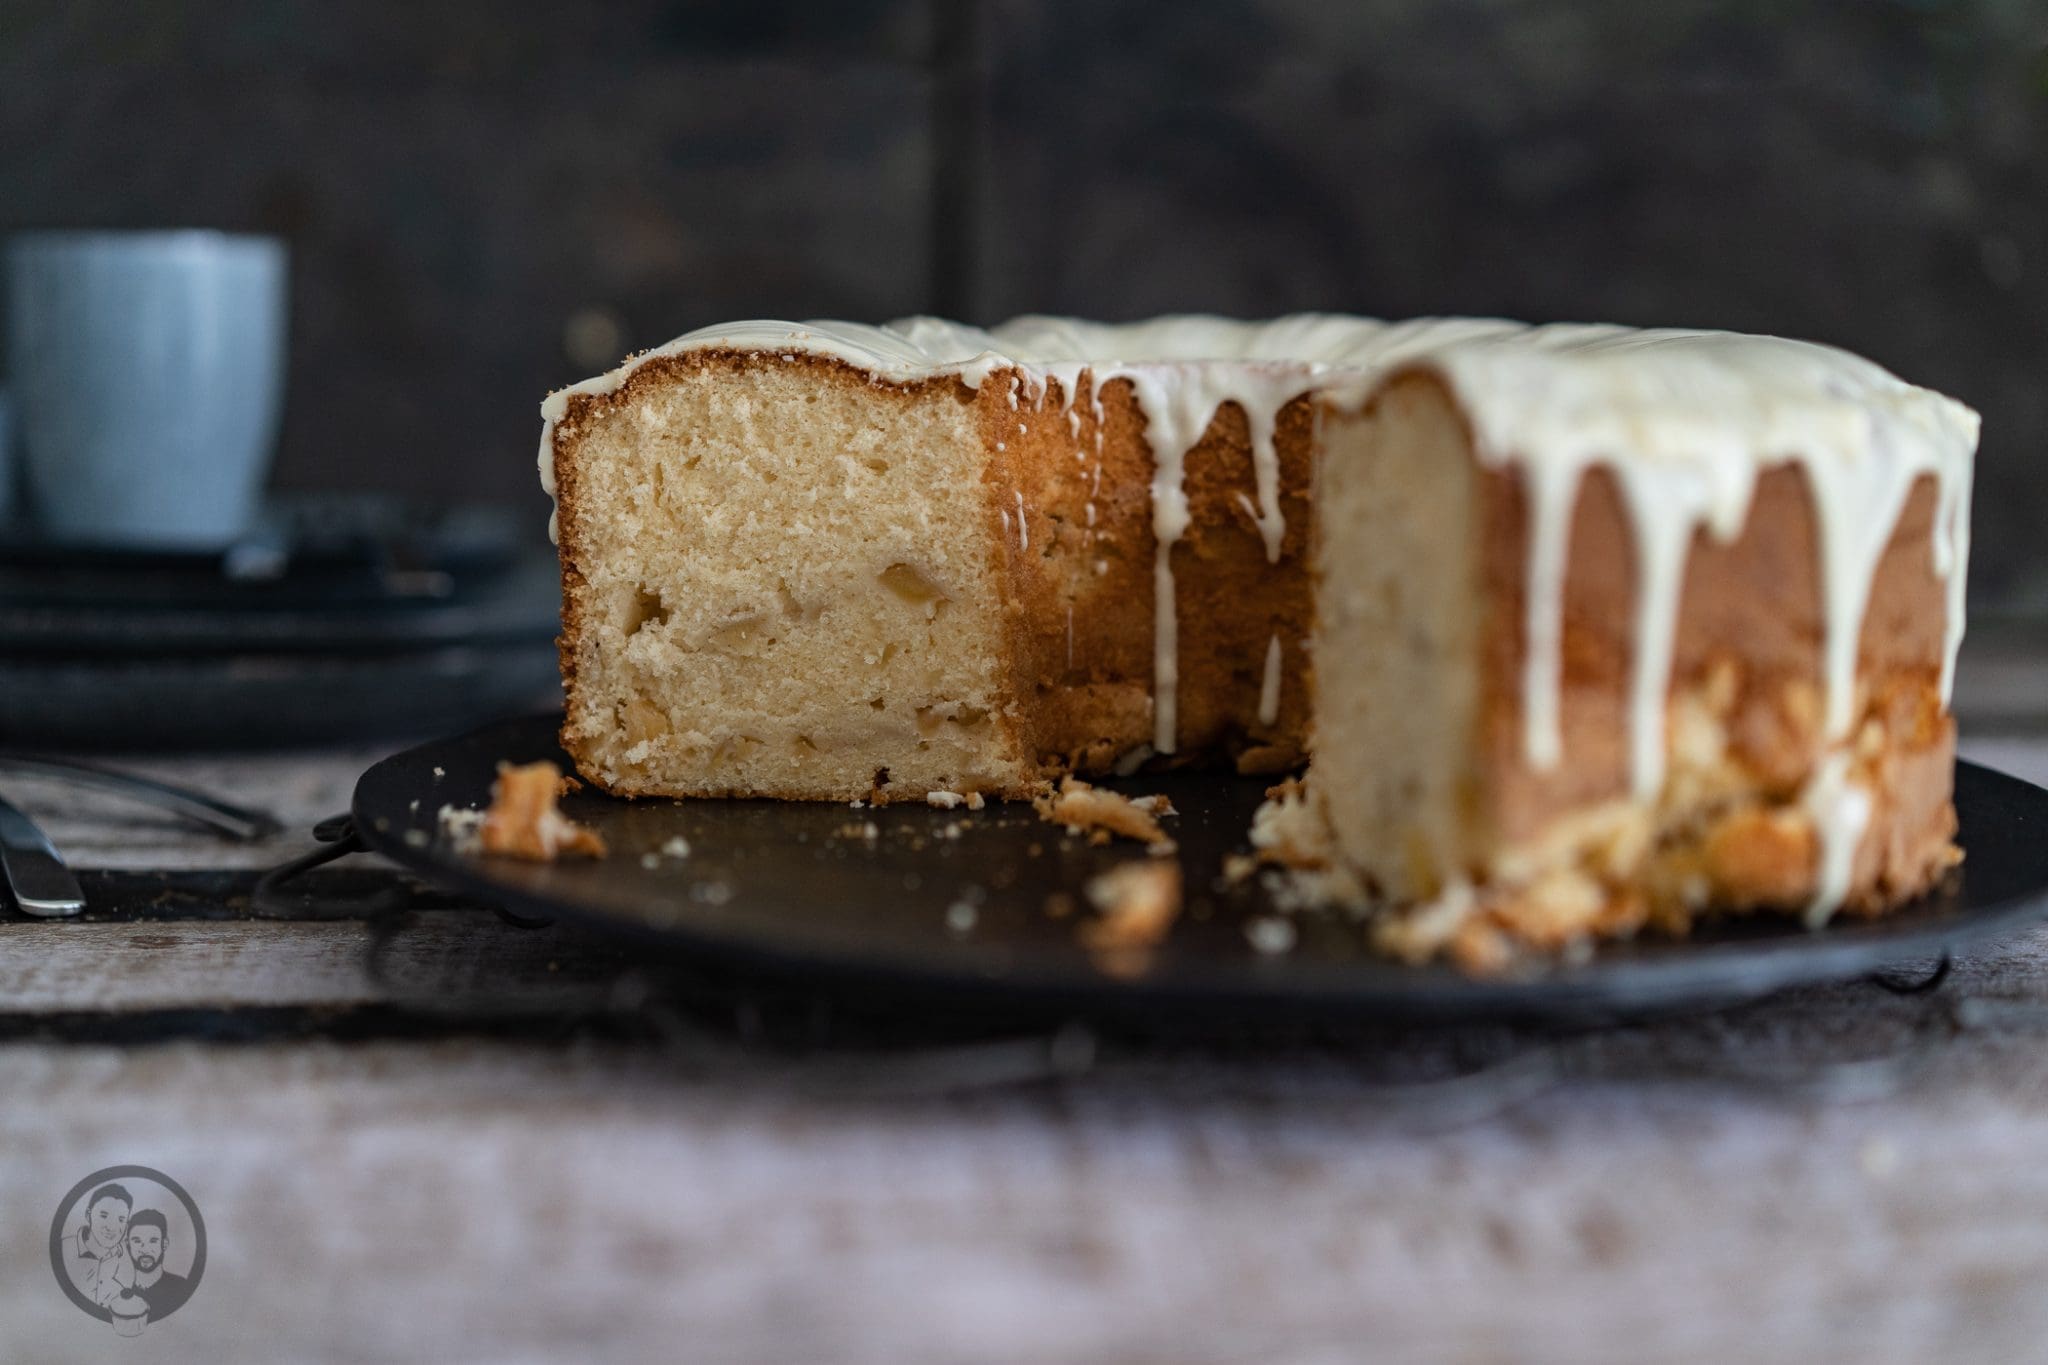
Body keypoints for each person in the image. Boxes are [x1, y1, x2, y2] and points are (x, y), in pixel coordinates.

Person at [103, 1210, 192, 1325]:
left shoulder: (181, 1287)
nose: (144, 1249)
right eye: (137, 1241)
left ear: (164, 1244)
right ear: (127, 1244)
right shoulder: (114, 1290)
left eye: (153, 1241)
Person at [72, 1184, 131, 1303]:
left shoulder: (128, 1263)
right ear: (88, 1215)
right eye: (104, 1216)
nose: (111, 1227)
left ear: (126, 1225)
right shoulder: (62, 1250)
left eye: (121, 1219)